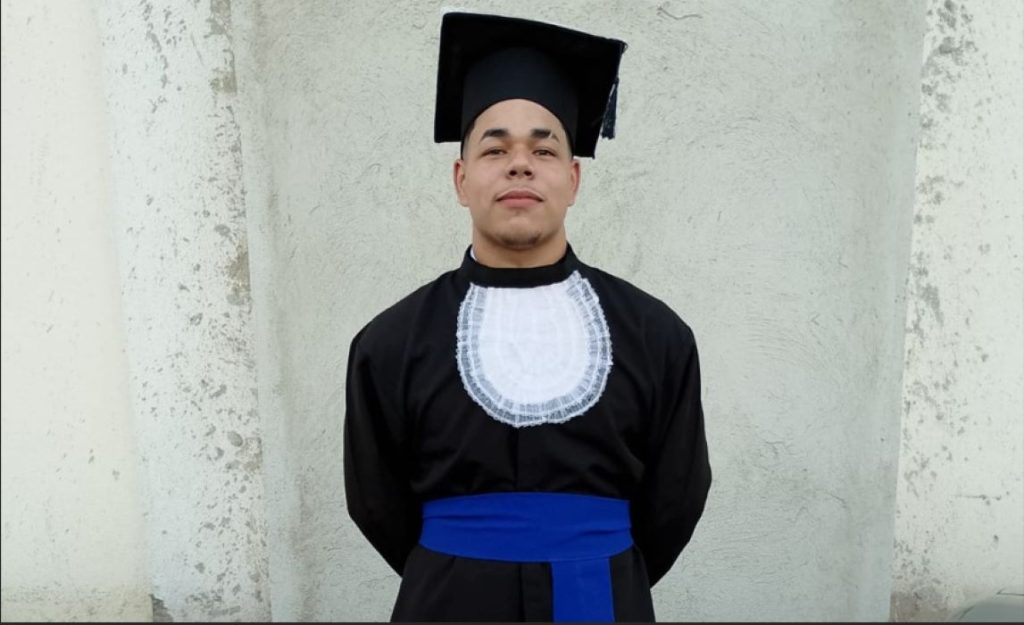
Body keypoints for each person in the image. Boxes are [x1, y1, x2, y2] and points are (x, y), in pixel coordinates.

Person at [343, 11, 711, 623]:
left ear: (572, 178)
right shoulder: (388, 343)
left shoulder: (657, 335)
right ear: (462, 179)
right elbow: (377, 504)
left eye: (544, 147)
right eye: (495, 148)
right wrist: (464, 566)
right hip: (447, 603)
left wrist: (597, 558)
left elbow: (674, 501)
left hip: (603, 596)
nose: (520, 164)